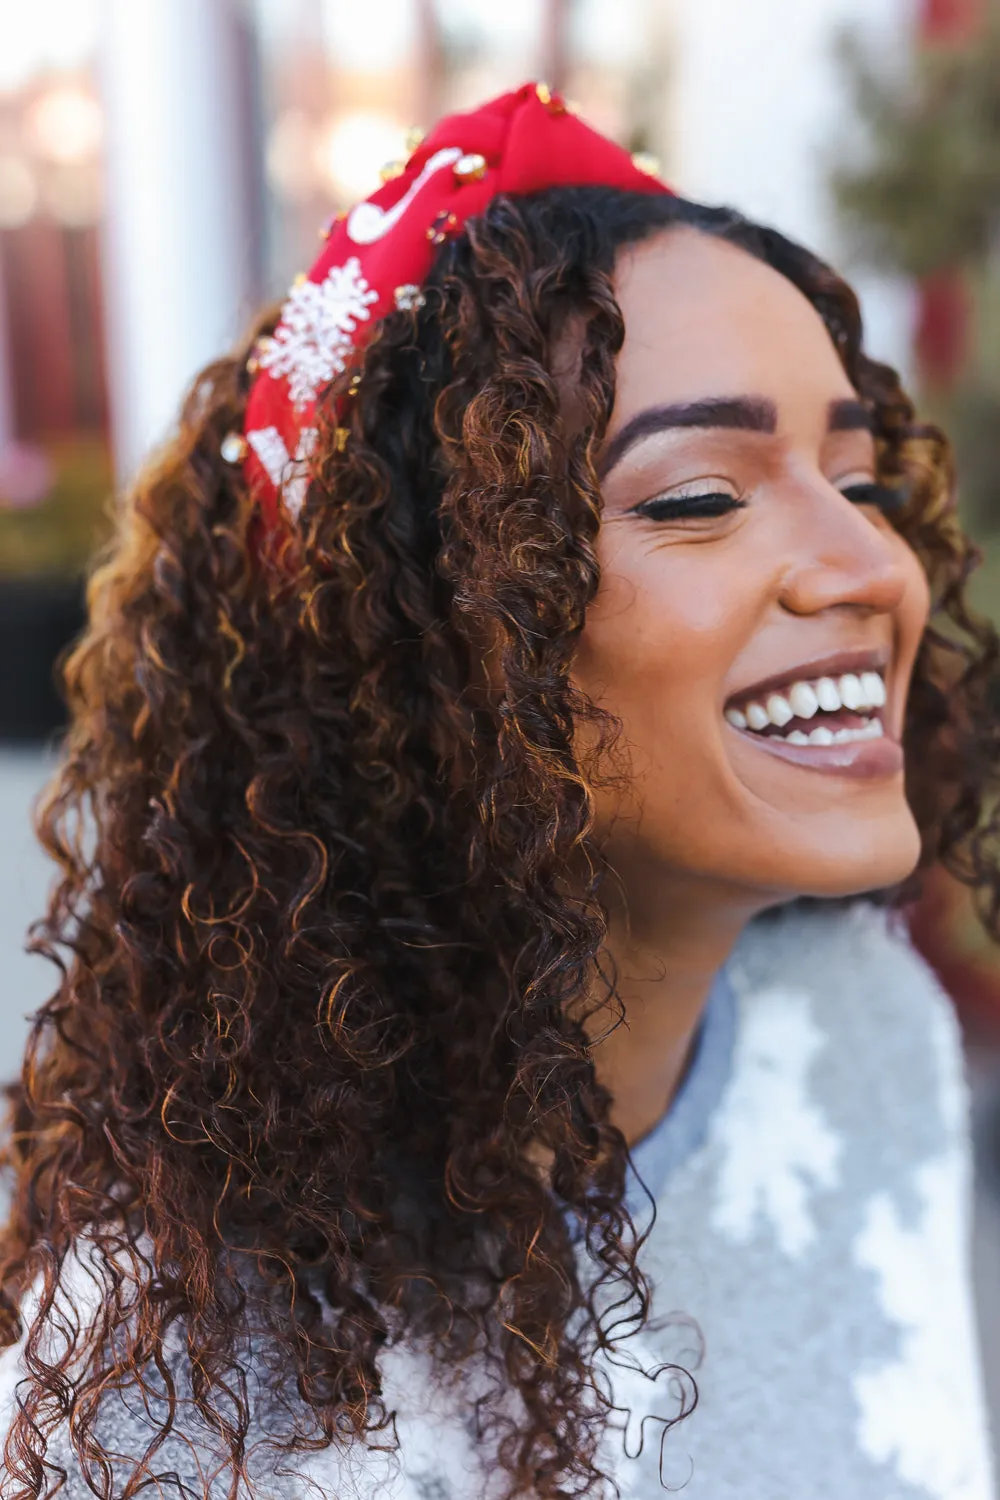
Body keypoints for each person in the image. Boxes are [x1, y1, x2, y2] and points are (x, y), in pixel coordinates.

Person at [0, 81, 996, 1500]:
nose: (868, 567)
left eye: (861, 483)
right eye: (699, 497)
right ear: (432, 647)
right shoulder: (178, 1369)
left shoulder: (871, 1040)